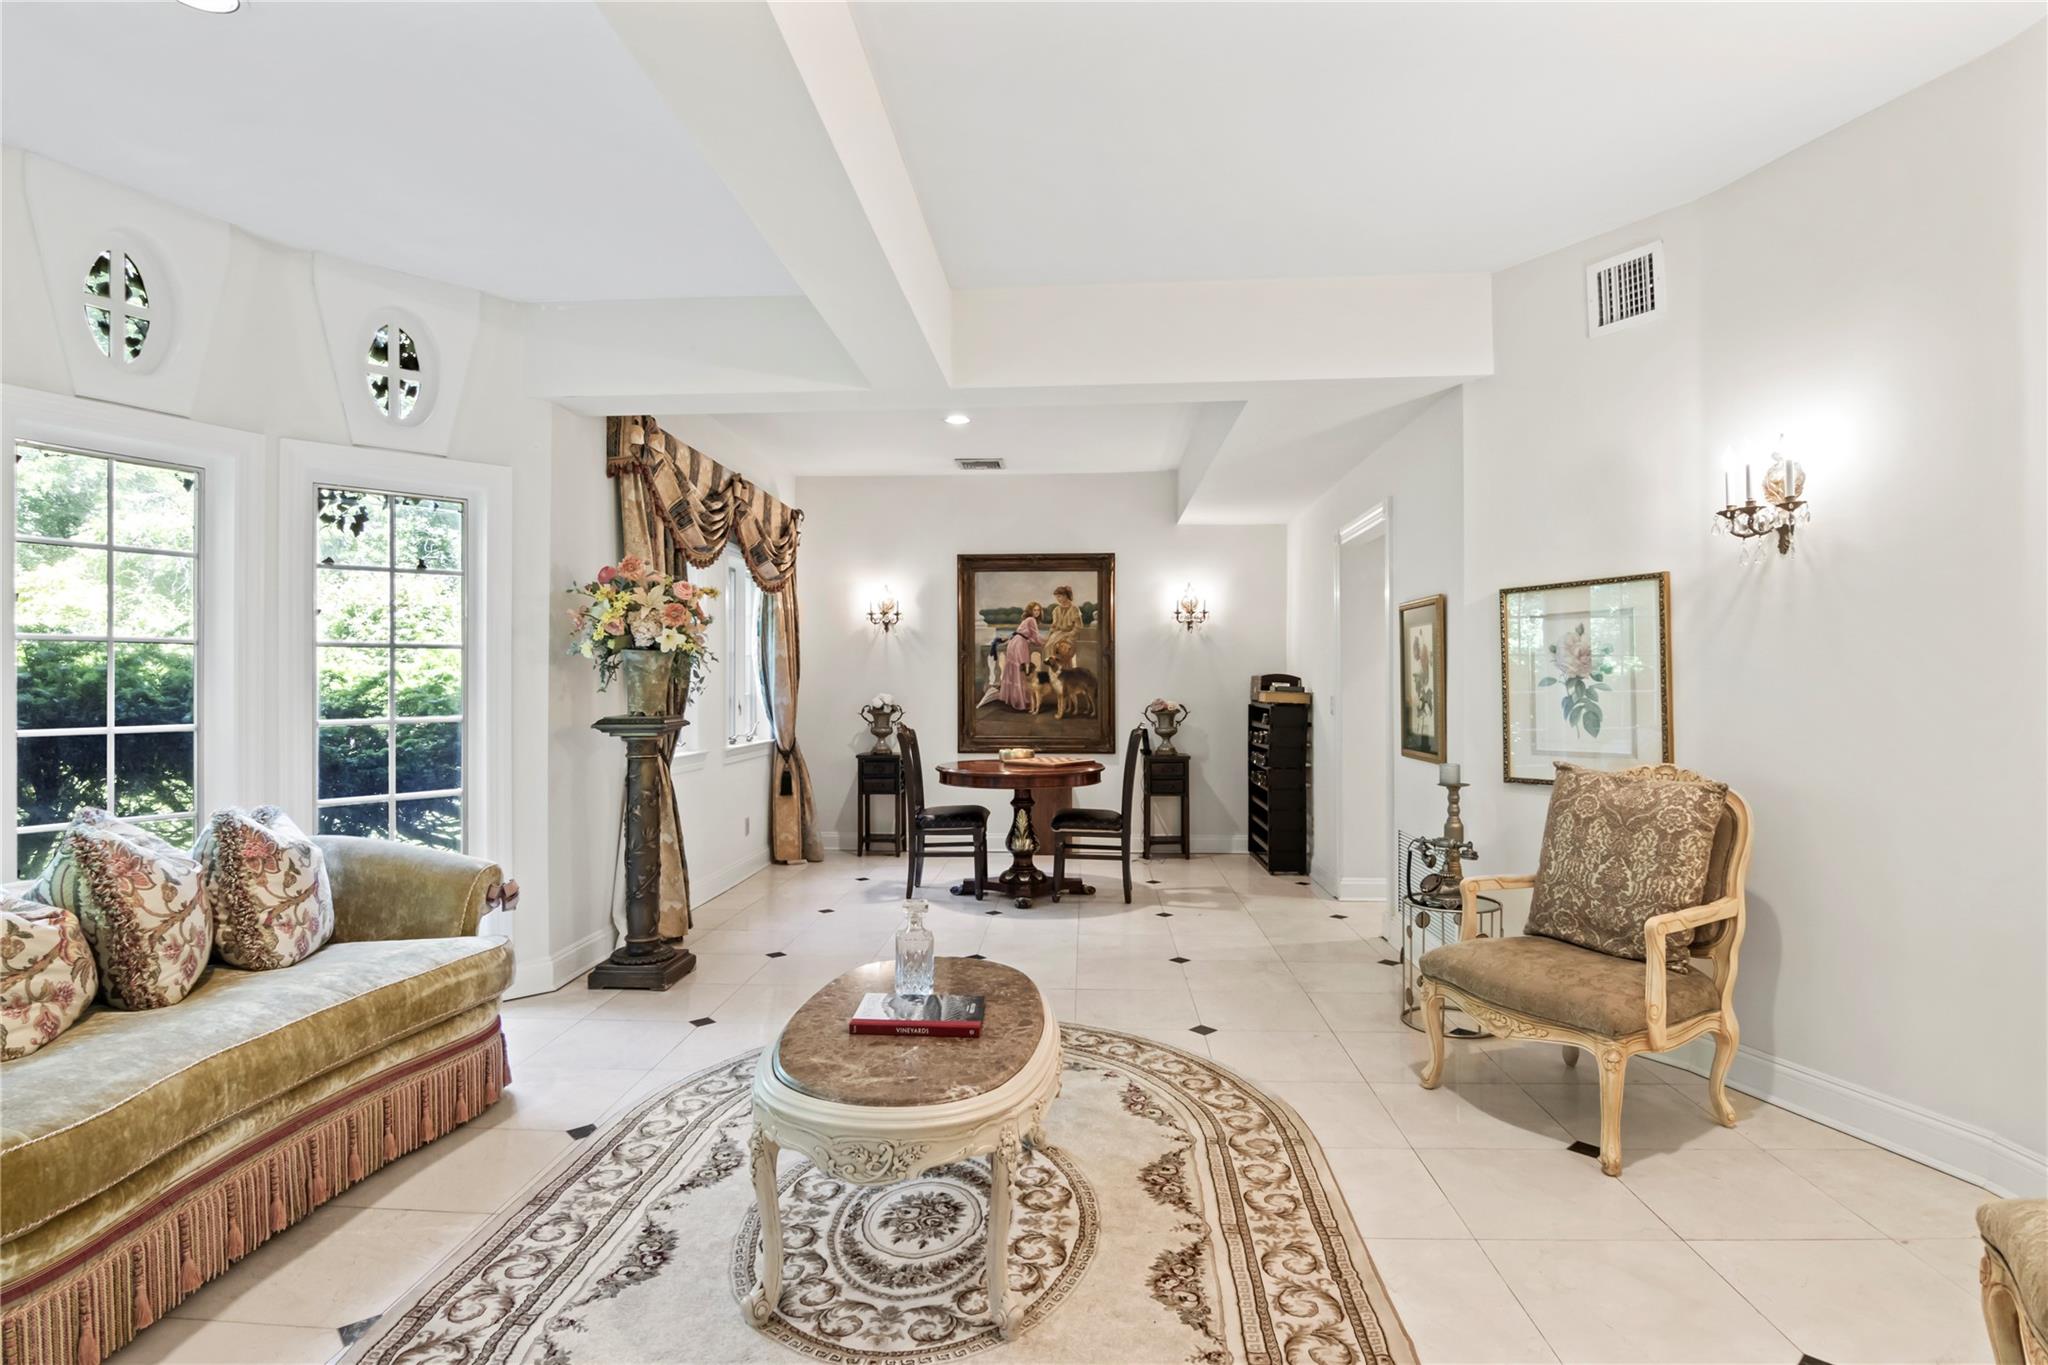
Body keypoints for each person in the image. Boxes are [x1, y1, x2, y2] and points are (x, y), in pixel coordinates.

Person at [998, 602, 1046, 711]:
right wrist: (1046, 642)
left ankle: (1014, 699)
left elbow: (1030, 637)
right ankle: (1021, 700)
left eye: (1038, 610)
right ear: (1030, 611)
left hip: (1014, 643)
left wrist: (1033, 640)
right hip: (1019, 644)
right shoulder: (1031, 620)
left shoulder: (1026, 620)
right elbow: (1036, 637)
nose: (1037, 612)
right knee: (1021, 670)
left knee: (1016, 669)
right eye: (1034, 610)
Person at [1045, 585, 1083, 658]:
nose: (1057, 599)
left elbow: (1078, 626)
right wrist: (1049, 635)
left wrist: (1069, 634)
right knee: (1048, 645)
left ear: (1065, 596)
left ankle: (1060, 664)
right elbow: (1054, 626)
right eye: (1056, 597)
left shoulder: (1074, 609)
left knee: (1060, 647)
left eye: (1059, 597)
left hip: (1071, 635)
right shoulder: (1056, 610)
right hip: (1058, 634)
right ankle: (1050, 663)